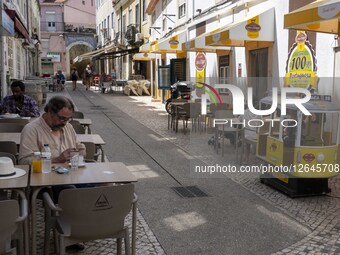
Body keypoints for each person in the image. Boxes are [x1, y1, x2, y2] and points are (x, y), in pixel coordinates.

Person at [18, 96, 85, 165]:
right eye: (61, 118)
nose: (64, 123)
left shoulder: (68, 127)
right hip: (44, 174)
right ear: (50, 112)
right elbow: (24, 162)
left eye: (67, 119)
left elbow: (80, 148)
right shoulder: (31, 130)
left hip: (69, 173)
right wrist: (56, 160)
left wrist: (80, 152)